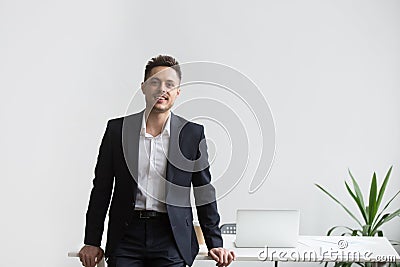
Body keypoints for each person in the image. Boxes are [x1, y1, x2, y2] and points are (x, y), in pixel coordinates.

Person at [78, 55, 235, 267]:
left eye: (170, 84)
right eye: (155, 82)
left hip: (171, 236)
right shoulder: (117, 131)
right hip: (126, 235)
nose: (162, 89)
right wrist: (91, 241)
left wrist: (215, 242)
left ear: (177, 92)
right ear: (143, 87)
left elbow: (203, 190)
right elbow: (102, 189)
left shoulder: (192, 134)